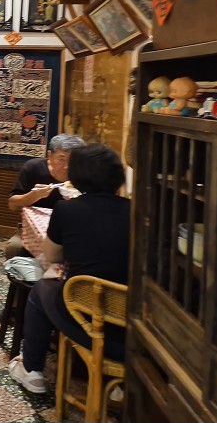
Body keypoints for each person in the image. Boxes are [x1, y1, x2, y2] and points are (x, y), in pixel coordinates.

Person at [8, 143, 130, 394]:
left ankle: (32, 370)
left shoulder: (67, 209)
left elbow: (52, 255)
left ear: (78, 175)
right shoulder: (134, 211)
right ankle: (115, 385)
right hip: (128, 330)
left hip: (82, 320)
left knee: (41, 289)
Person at [5, 134, 87, 260]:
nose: (67, 167)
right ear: (50, 155)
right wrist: (33, 196)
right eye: (61, 159)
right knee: (14, 247)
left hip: (71, 230)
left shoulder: (83, 175)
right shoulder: (34, 167)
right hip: (31, 229)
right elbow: (12, 205)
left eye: (74, 161)